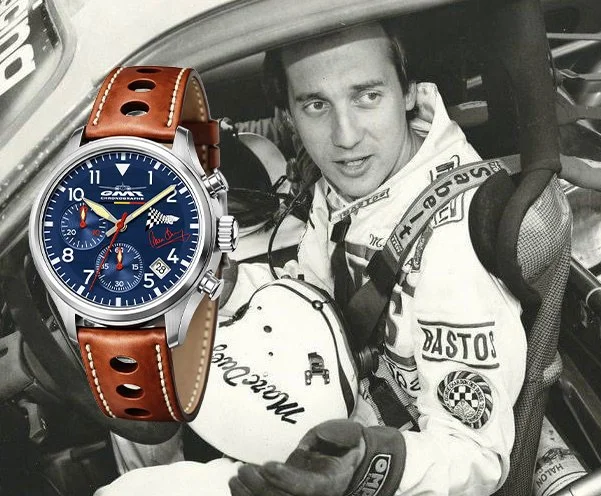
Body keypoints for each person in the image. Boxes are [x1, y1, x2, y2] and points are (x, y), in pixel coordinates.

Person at [96, 20, 526, 496]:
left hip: (382, 469)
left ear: (408, 91)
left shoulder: (451, 243)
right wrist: (220, 282)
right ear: (289, 114)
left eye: (367, 96)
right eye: (317, 105)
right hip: (327, 406)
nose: (345, 136)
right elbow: (313, 296)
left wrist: (362, 467)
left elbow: (476, 455)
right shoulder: (357, 181)